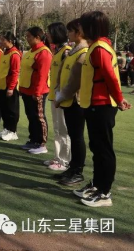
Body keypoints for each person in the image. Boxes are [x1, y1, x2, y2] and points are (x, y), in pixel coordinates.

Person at [74, 11, 131, 207]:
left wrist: (120, 99)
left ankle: (105, 192)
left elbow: (111, 77)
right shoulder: (96, 46)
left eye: (82, 25)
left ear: (91, 27)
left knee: (104, 149)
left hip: (102, 105)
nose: (79, 28)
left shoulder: (99, 48)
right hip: (94, 104)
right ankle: (97, 184)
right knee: (97, 148)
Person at [54, 19, 88, 186]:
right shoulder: (73, 51)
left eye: (70, 31)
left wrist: (61, 96)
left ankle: (78, 171)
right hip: (67, 99)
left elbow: (76, 81)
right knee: (73, 135)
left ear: (79, 32)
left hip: (76, 101)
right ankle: (72, 167)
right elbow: (63, 73)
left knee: (77, 137)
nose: (68, 34)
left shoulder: (83, 52)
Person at [19, 26, 53, 155]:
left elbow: (42, 75)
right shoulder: (31, 51)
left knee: (39, 117)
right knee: (31, 116)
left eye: (29, 36)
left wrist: (37, 92)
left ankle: (41, 143)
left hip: (37, 91)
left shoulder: (44, 52)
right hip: (27, 89)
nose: (27, 39)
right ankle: (33, 139)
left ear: (37, 38)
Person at [45, 22, 72, 171]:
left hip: (61, 97)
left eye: (49, 32)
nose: (47, 35)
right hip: (53, 95)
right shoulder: (57, 51)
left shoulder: (66, 51)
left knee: (63, 129)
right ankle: (57, 157)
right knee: (57, 128)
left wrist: (60, 94)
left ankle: (64, 160)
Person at [0, 32, 21, 141]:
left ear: (9, 41)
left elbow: (15, 72)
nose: (1, 41)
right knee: (4, 109)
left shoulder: (14, 54)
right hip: (1, 86)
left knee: (11, 110)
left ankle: (13, 131)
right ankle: (6, 128)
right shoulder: (5, 52)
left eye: (3, 39)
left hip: (9, 87)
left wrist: (11, 87)